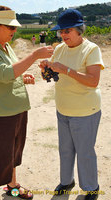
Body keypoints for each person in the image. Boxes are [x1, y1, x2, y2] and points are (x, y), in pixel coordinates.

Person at [0, 5, 53, 200]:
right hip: (0, 113)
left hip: (17, 108)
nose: (14, 31)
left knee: (15, 153)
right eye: (10, 27)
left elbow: (12, 73)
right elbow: (5, 73)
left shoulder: (6, 47)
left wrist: (22, 76)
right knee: (2, 158)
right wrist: (34, 55)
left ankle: (12, 187)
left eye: (15, 27)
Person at [40, 9, 104, 200]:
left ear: (79, 30)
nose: (63, 35)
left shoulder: (91, 49)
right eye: (61, 31)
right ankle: (67, 181)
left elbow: (94, 81)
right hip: (63, 109)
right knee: (65, 150)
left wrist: (66, 69)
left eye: (67, 31)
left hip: (85, 112)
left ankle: (91, 188)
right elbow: (54, 74)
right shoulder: (59, 49)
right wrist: (46, 71)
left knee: (85, 153)